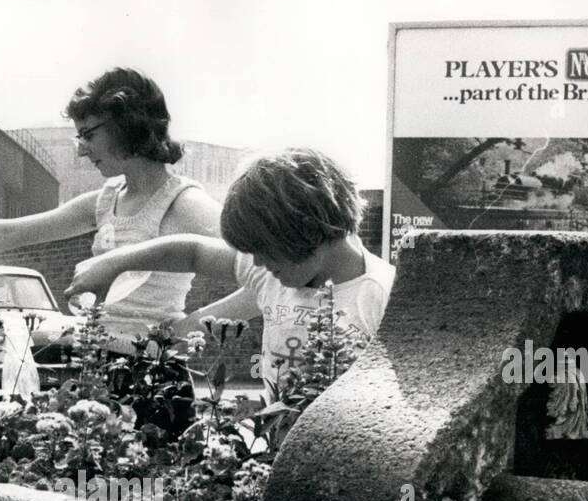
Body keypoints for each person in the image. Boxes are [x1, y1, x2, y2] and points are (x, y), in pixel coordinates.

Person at [0, 68, 221, 354]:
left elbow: (264, 268)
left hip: (154, 378)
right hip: (97, 363)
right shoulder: (106, 199)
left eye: (87, 135)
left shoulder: (182, 203)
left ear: (125, 125)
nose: (81, 151)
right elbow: (9, 233)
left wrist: (187, 331)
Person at [65, 148, 396, 399]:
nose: (259, 263)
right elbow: (191, 251)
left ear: (305, 231)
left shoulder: (383, 297)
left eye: (265, 252)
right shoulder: (272, 274)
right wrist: (114, 263)